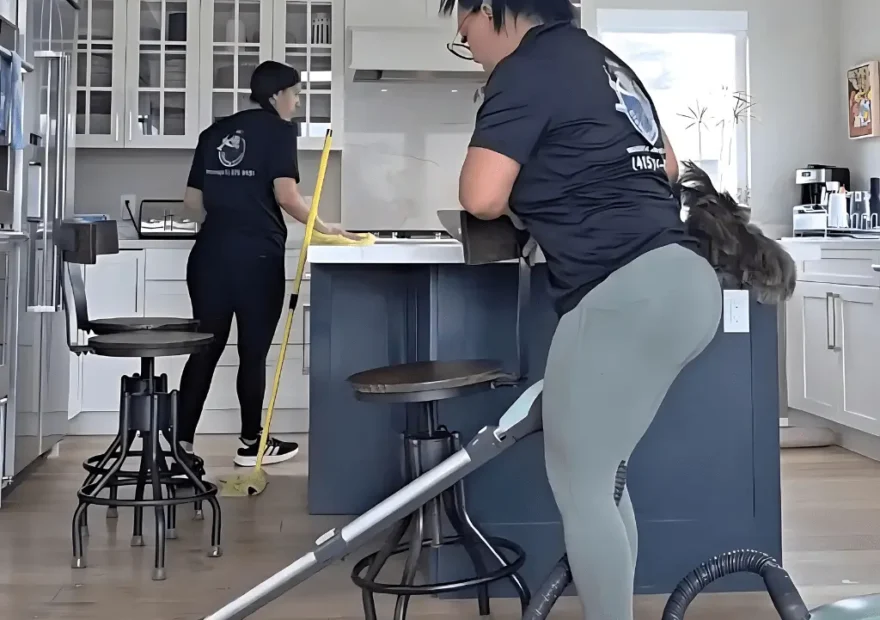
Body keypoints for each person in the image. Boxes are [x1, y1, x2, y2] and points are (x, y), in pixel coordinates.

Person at [440, 1, 722, 619]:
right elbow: (669, 166)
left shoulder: (525, 67)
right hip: (686, 284)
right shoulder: (608, 61)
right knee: (603, 482)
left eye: (466, 36)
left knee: (584, 487)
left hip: (624, 292)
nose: (474, 51)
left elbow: (481, 195)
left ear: (490, 10)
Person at [178, 60, 358, 469]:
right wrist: (326, 228)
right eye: (295, 94)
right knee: (252, 352)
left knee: (204, 349)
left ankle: (182, 446)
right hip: (257, 257)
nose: (296, 103)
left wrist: (229, 214)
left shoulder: (213, 133)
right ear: (277, 95)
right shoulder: (278, 131)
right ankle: (250, 443)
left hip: (208, 257)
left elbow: (192, 205)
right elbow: (286, 196)